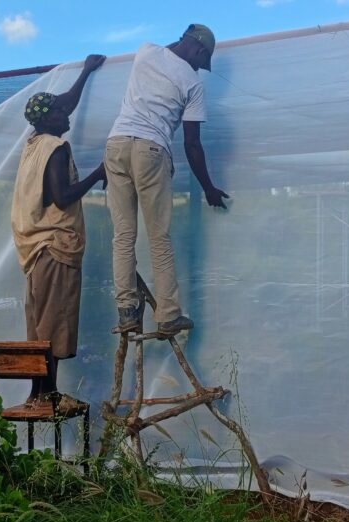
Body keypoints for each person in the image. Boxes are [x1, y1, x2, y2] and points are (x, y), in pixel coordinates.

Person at [105, 24, 229, 336]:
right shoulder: (193, 83)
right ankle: (168, 315)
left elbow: (170, 49)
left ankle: (126, 312)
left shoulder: (145, 51)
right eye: (202, 60)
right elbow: (192, 144)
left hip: (116, 144)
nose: (199, 67)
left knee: (123, 235)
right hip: (150, 148)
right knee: (158, 237)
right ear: (199, 49)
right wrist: (208, 188)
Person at [11, 54, 107, 406]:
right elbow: (62, 196)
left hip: (36, 248)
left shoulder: (33, 144)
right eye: (59, 113)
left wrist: (85, 73)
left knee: (39, 322)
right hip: (56, 246)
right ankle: (48, 394)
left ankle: (38, 393)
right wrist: (99, 173)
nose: (66, 116)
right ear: (46, 119)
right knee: (52, 321)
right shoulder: (56, 147)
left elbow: (63, 103)